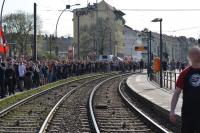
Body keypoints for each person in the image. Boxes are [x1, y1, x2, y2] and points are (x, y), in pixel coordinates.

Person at [170, 46, 200, 133]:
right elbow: (176, 93)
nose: (198, 55)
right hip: (188, 113)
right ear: (190, 57)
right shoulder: (185, 73)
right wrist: (172, 111)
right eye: (195, 53)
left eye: (199, 53)